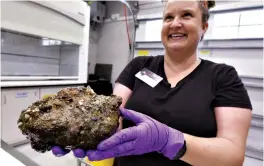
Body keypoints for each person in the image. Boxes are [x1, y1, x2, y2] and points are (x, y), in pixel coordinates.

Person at [52, 0, 253, 166]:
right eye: (168, 17)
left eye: (186, 15)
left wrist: (169, 141)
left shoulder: (222, 76)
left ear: (204, 27)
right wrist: (83, 129)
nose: (175, 23)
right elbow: (113, 114)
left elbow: (232, 156)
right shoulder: (139, 66)